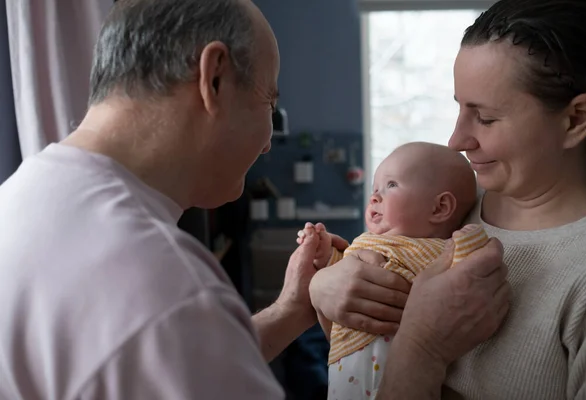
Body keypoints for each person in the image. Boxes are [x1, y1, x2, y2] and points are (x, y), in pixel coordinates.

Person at [0, 0, 509, 399]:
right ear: (214, 78)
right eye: (270, 102)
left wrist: (290, 310)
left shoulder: (26, 198)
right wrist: (420, 350)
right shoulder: (165, 288)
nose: (269, 141)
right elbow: (168, 332)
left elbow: (182, 362)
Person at [311, 0, 586, 398]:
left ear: (575, 119)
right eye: (461, 108)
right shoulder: (451, 205)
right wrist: (325, 289)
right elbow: (366, 342)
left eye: (486, 117)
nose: (456, 140)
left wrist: (423, 347)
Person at [296, 142, 490, 399]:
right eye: (375, 188)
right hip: (345, 367)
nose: (375, 196)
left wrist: (471, 239)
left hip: (398, 369)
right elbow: (346, 283)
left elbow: (469, 274)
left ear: (440, 207)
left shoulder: (441, 252)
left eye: (391, 185)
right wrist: (325, 256)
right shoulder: (368, 241)